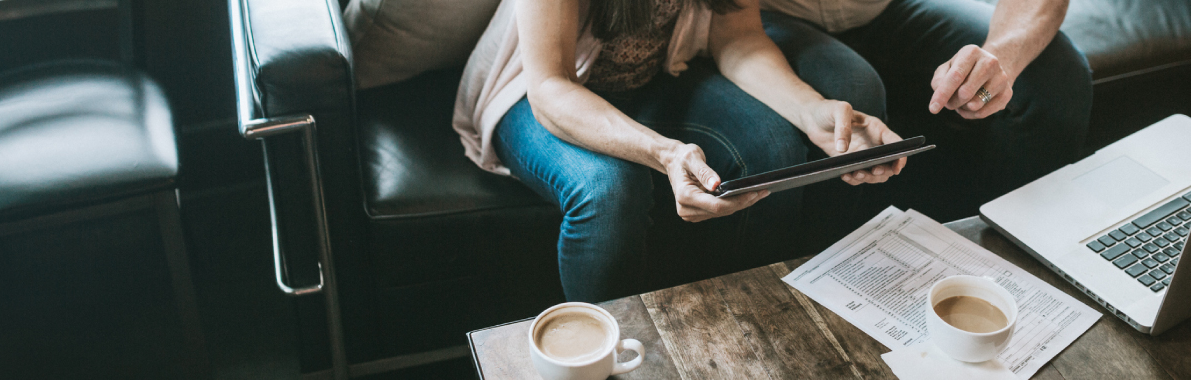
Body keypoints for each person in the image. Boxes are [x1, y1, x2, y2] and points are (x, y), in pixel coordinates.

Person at [454, 0, 906, 302]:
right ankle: (605, 356)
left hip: (647, 81)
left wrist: (810, 110)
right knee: (610, 188)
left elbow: (738, 38)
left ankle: (737, 321)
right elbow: (551, 86)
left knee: (773, 145)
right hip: (534, 94)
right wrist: (666, 154)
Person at [758, 0, 1092, 221]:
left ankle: (1013, 246)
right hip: (770, 17)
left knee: (1056, 71)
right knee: (852, 88)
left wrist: (999, 59)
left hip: (887, 7)